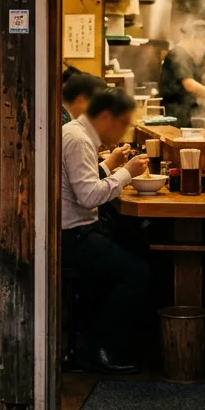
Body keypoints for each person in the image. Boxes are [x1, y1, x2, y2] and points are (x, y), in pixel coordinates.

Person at [61, 88, 151, 373]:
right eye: (123, 123)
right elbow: (88, 196)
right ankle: (101, 348)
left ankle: (118, 340)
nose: (125, 130)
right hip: (71, 236)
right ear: (105, 117)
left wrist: (108, 165)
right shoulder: (78, 141)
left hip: (77, 230)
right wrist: (128, 173)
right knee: (137, 274)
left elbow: (79, 181)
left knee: (137, 247)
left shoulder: (76, 133)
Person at [158, 21, 205, 127]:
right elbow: (189, 84)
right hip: (175, 116)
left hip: (183, 113)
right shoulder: (178, 54)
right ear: (194, 37)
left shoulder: (186, 56)